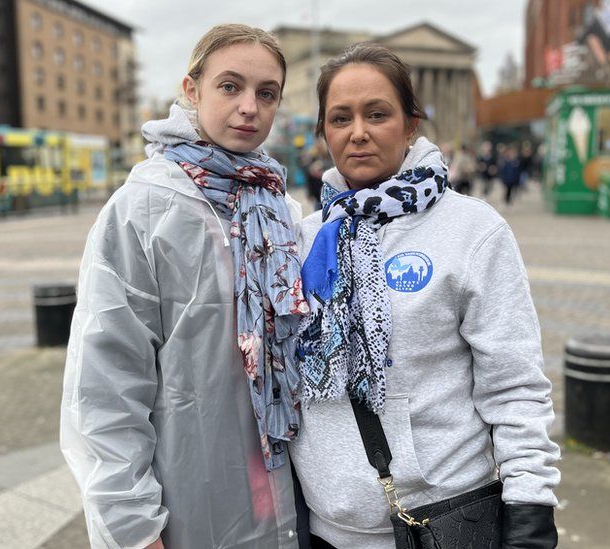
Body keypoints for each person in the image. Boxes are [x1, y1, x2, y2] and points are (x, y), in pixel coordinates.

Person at [289, 43, 560, 548]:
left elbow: (514, 385)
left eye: (378, 114)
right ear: (324, 132)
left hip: (443, 522)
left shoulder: (471, 230)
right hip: (327, 529)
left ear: (412, 124)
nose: (359, 132)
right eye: (340, 118)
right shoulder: (303, 238)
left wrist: (530, 511)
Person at [60, 24, 309, 549]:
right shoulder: (145, 208)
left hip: (289, 502)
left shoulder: (281, 211)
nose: (249, 107)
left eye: (267, 94)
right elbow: (107, 381)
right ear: (191, 90)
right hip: (190, 503)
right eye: (230, 86)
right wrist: (132, 525)